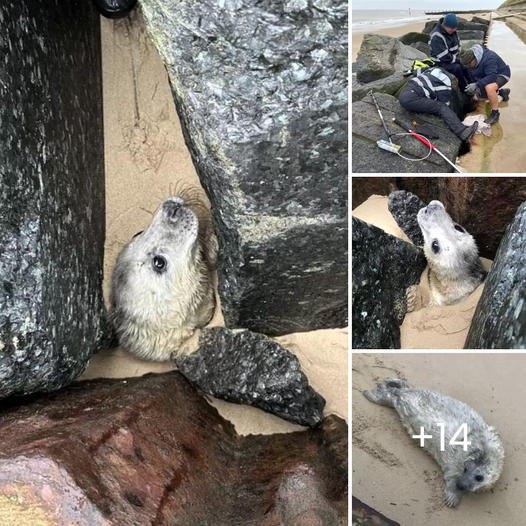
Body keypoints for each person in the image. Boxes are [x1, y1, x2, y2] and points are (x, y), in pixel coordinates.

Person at [399, 66, 478, 141]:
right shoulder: (445, 87)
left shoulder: (434, 70)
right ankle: (462, 132)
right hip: (412, 98)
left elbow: (420, 70)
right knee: (441, 107)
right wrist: (458, 118)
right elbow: (446, 105)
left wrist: (411, 71)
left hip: (407, 91)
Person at [460, 45, 511, 125]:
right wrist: (473, 86)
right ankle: (502, 92)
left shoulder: (489, 58)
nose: (468, 67)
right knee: (481, 97)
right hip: (487, 75)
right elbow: (472, 74)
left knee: (489, 87)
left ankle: (495, 114)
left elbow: (492, 77)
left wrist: (477, 84)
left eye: (469, 65)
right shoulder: (469, 61)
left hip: (501, 74)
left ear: (474, 59)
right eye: (466, 65)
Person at [428, 13, 468, 91]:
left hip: (453, 58)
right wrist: (459, 60)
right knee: (457, 68)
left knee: (466, 66)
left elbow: (458, 47)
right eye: (451, 28)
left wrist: (462, 57)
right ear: (444, 25)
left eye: (455, 28)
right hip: (441, 62)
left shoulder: (453, 31)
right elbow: (445, 58)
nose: (454, 30)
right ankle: (465, 90)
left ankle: (474, 86)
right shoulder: (437, 36)